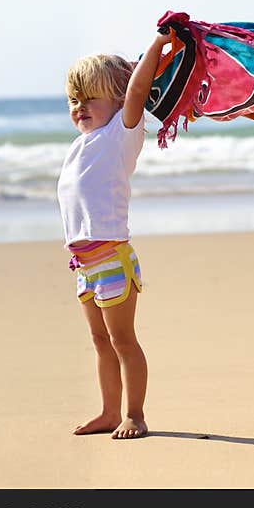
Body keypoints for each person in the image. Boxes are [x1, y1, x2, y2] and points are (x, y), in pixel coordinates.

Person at [56, 32, 173, 440]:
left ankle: (135, 415)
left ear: (121, 101)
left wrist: (157, 46)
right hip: (85, 266)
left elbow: (138, 86)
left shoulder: (121, 135)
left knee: (123, 341)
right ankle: (108, 411)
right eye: (75, 100)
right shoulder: (80, 144)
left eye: (91, 99)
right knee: (99, 340)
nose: (80, 107)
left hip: (112, 260)